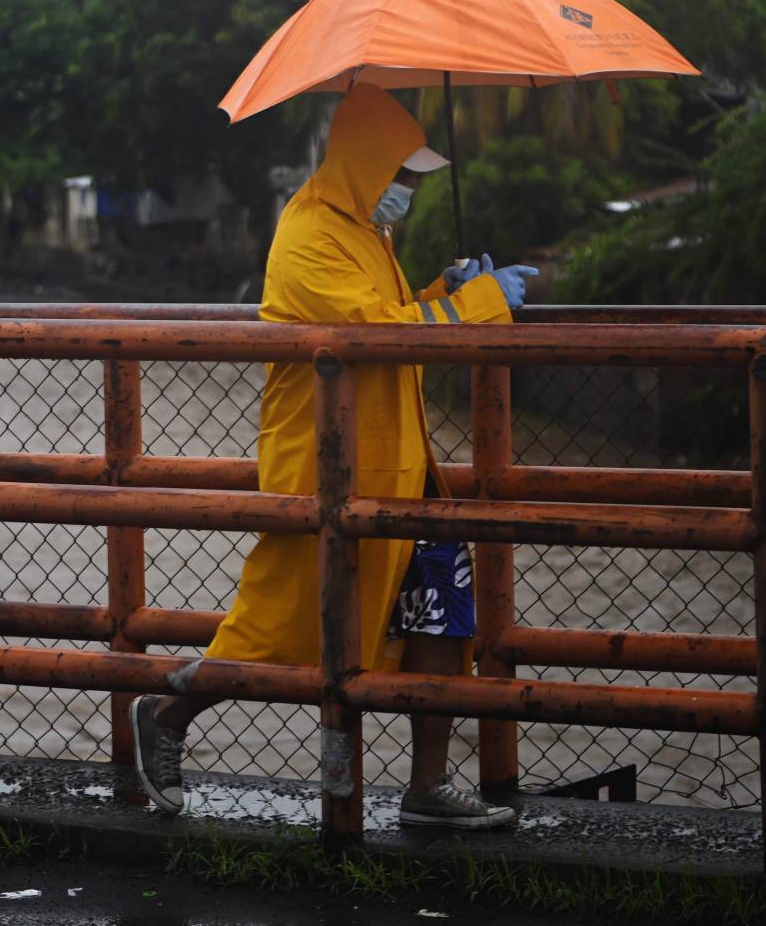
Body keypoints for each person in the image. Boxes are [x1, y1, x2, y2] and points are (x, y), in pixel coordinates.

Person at [129, 84, 537, 829]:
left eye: (413, 180)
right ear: (363, 165)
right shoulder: (311, 233)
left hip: (400, 467)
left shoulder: (363, 230)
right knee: (280, 628)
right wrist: (481, 302)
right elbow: (378, 332)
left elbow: (395, 311)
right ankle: (167, 714)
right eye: (402, 177)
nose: (408, 192)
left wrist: (446, 286)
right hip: (327, 473)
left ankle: (428, 788)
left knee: (442, 616)